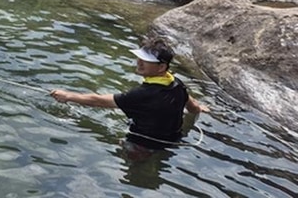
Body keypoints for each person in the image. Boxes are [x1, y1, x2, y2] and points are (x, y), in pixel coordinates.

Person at [50, 37, 208, 158]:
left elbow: (98, 101)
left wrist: (68, 96)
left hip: (144, 145)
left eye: (146, 60)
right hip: (175, 136)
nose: (139, 62)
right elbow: (192, 106)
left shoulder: (142, 94)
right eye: (140, 57)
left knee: (126, 167)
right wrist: (200, 108)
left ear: (161, 67)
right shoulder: (177, 83)